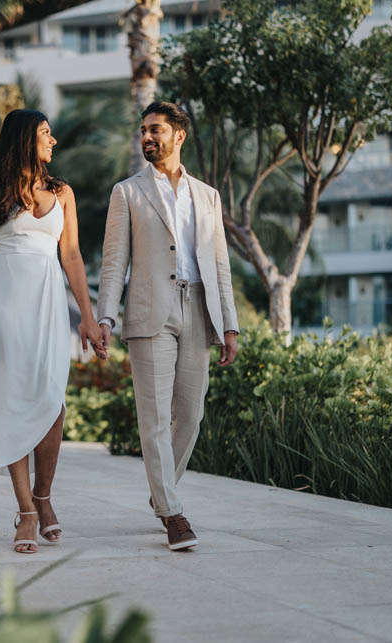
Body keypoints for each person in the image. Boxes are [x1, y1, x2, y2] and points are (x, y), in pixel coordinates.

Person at [97, 101, 240, 552]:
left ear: (179, 135)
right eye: (143, 130)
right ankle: (173, 513)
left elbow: (220, 265)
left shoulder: (208, 195)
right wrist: (105, 315)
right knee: (155, 417)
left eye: (156, 129)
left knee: (191, 414)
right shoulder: (128, 192)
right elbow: (113, 261)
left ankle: (162, 492)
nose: (147, 137)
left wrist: (229, 325)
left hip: (198, 307)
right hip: (150, 310)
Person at [0, 109, 108, 554]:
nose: (54, 140)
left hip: (49, 301)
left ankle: (44, 495)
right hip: (6, 300)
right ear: (26, 138)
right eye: (46, 134)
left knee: (50, 398)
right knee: (12, 399)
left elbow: (73, 258)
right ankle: (27, 510)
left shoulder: (62, 192)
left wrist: (87, 315)